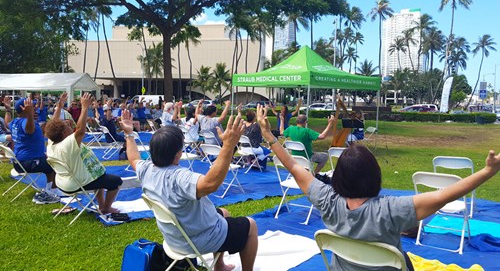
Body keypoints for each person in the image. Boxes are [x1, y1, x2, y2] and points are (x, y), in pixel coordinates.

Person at [256, 104, 500, 271]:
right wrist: (487, 171)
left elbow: (294, 167)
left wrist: (270, 137)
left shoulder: (326, 200)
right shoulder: (391, 210)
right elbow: (447, 194)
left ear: (339, 177)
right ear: (374, 175)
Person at [121, 110, 258, 271]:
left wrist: (129, 133)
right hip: (196, 240)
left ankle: (219, 266)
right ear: (178, 154)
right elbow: (211, 184)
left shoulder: (146, 169)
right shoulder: (179, 178)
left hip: (174, 239)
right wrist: (228, 145)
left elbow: (133, 157)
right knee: (251, 225)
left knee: (224, 213)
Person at [45, 93, 122, 214]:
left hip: (63, 182)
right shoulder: (67, 144)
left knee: (100, 175)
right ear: (64, 133)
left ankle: (101, 205)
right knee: (115, 181)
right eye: (67, 126)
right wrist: (85, 107)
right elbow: (80, 130)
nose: (70, 126)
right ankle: (106, 208)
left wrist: (59, 107)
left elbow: (53, 123)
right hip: (76, 183)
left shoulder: (51, 143)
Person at [9, 97, 60, 204]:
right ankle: (51, 192)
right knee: (56, 163)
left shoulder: (15, 121)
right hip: (29, 162)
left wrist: (8, 109)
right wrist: (29, 115)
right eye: (32, 106)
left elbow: (8, 122)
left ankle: (49, 189)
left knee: (48, 159)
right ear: (24, 109)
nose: (35, 108)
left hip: (19, 161)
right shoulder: (25, 122)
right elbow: (29, 130)